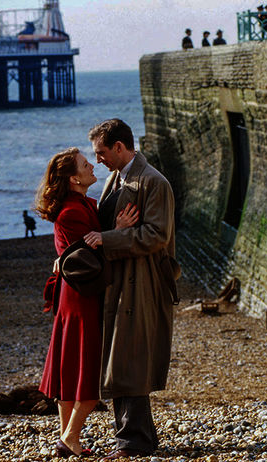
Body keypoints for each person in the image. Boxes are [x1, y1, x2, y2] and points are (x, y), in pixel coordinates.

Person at [84, 119, 179, 459]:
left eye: (101, 153)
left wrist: (109, 238)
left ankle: (134, 441)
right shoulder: (117, 178)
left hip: (143, 282)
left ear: (120, 147)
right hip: (122, 280)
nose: (98, 160)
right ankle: (134, 438)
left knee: (129, 360)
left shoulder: (154, 182)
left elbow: (156, 235)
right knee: (120, 359)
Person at [36, 147, 138, 458]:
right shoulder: (72, 212)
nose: (92, 165)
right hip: (81, 299)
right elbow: (90, 259)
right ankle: (68, 439)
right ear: (73, 179)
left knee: (70, 373)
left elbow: (74, 252)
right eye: (84, 164)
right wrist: (117, 233)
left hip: (74, 296)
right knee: (87, 377)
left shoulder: (78, 205)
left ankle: (70, 441)